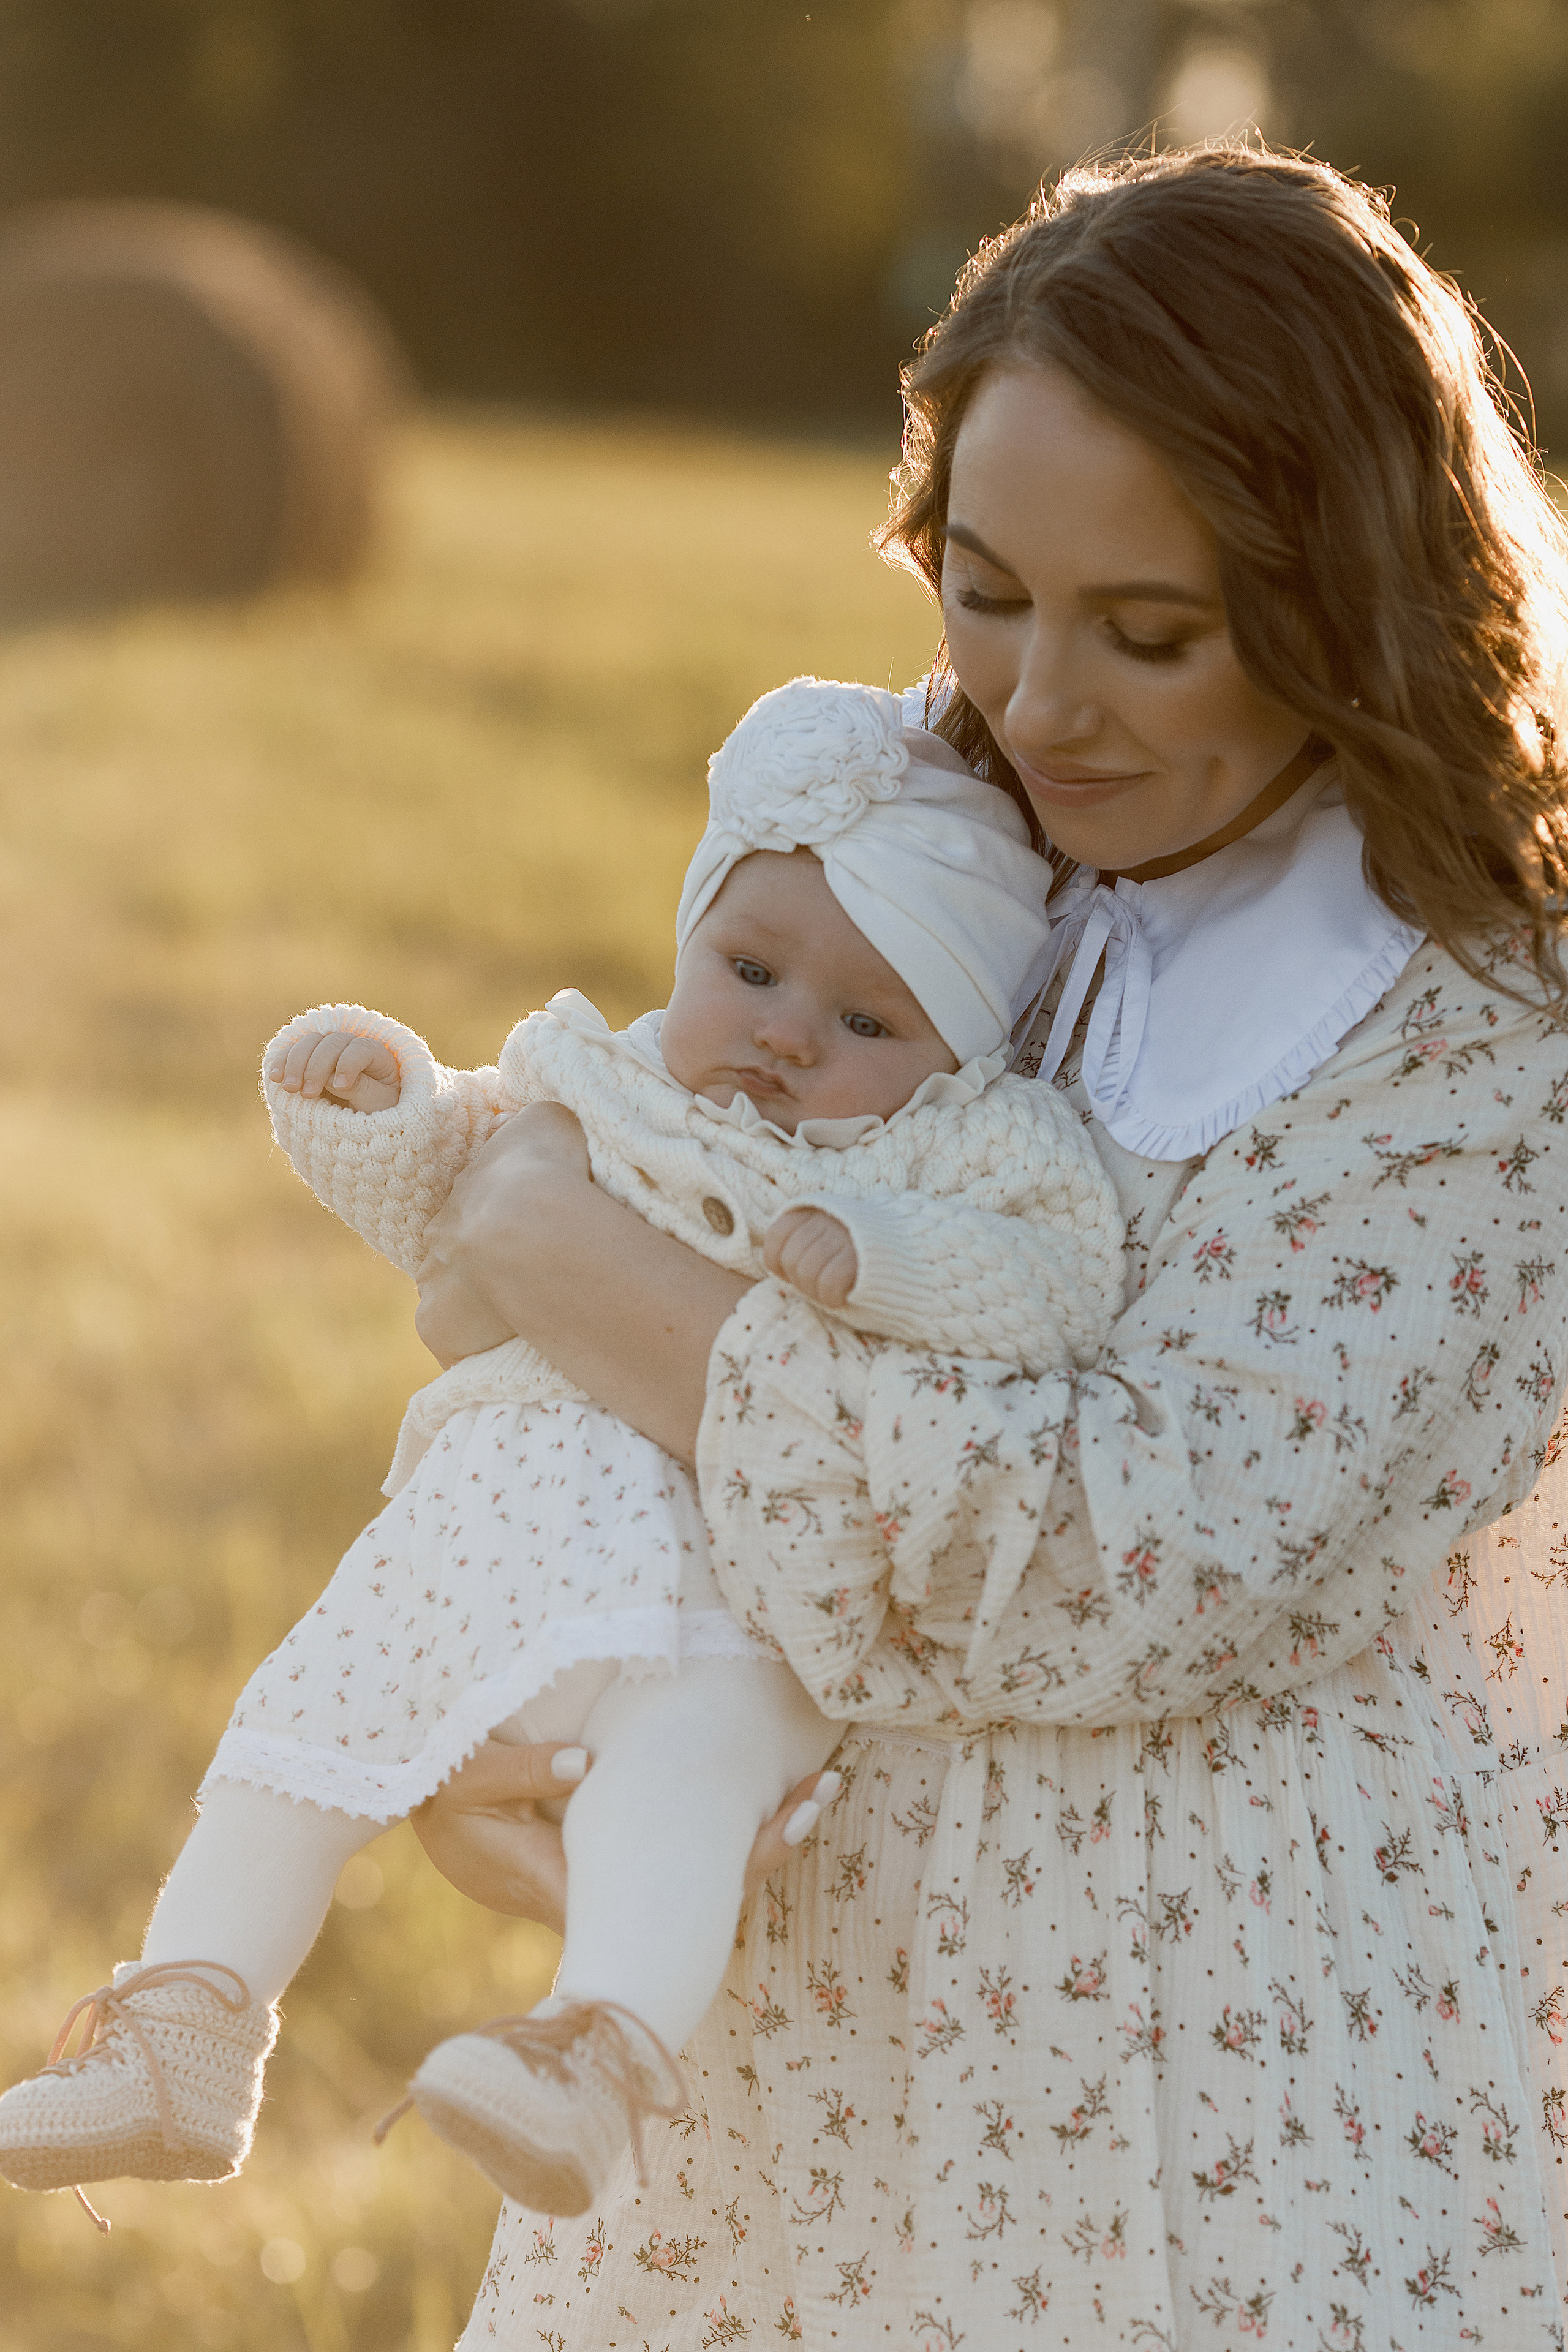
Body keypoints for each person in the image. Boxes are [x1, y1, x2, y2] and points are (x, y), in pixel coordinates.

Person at [404, 147, 1568, 2347]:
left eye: (1153, 632)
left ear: (1353, 596)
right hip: (802, 2026)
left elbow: (1142, 1546)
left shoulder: (1478, 1037)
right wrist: (507, 1674)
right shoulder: (945, 880)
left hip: (1222, 2063)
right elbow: (660, 1191)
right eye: (985, 588)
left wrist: (593, 1267)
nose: (1041, 707)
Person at [0, 679, 1122, 2230]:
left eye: (868, 1022)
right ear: (690, 948)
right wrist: (384, 1098)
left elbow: (1054, 1278)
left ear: (961, 1053)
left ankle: (596, 2052)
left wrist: (882, 1257)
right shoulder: (618, 1076)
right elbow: (465, 1187)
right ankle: (188, 2024)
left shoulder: (956, 1154)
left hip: (739, 1580)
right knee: (299, 1734)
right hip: (487, 1540)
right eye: (749, 970)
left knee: (685, 1771)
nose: (787, 1035)